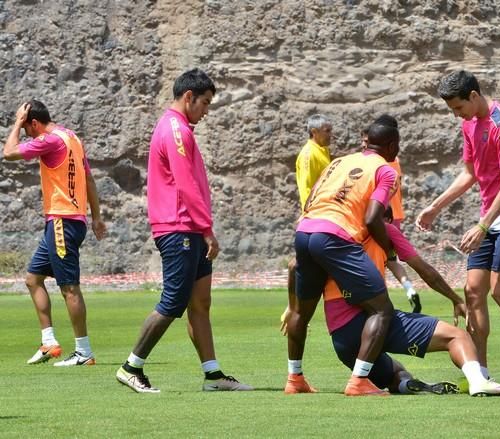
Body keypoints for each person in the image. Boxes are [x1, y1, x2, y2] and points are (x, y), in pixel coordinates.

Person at [115, 68, 252, 393]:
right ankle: (131, 367)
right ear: (188, 97)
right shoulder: (176, 130)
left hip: (190, 226)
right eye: (204, 103)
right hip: (180, 228)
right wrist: (206, 229)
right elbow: (185, 184)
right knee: (174, 301)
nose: (206, 111)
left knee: (200, 302)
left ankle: (213, 375)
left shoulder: (178, 128)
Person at [416, 70, 500, 392]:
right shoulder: (469, 124)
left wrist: (482, 225)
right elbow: (469, 174)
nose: (456, 115)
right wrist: (436, 206)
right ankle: (480, 373)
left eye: (458, 108)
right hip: (490, 217)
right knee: (473, 292)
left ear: (474, 96)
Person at [323, 221, 500, 397]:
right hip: (373, 322)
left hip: (342, 338)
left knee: (396, 373)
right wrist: (456, 299)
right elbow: (424, 270)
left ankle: (403, 384)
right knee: (457, 336)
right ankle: (479, 382)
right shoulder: (385, 229)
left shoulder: (331, 236)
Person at [284, 123, 400, 396]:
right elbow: (373, 218)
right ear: (392, 146)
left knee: (301, 311)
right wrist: (390, 251)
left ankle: (294, 378)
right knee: (382, 309)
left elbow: (311, 198)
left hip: (305, 230)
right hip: (335, 237)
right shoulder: (386, 170)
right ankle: (359, 381)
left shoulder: (338, 162)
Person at [3, 100, 106, 367]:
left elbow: (9, 153)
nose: (26, 132)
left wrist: (16, 122)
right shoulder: (71, 136)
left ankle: (84, 352)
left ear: (33, 123)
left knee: (69, 288)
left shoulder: (49, 140)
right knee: (32, 279)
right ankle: (49, 342)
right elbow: (89, 179)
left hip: (62, 220)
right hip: (69, 221)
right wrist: (95, 217)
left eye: (26, 127)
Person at [362, 115, 421, 312]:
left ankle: (378, 301)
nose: (364, 144)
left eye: (367, 140)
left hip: (381, 214)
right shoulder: (394, 160)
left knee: (376, 258)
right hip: (393, 214)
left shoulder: (381, 163)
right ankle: (409, 288)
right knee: (389, 259)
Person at [282, 114, 333, 336]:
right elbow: (306, 189)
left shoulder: (323, 152)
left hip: (326, 217)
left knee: (302, 266)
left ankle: (295, 310)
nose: (330, 134)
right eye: (326, 130)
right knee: (299, 266)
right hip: (316, 220)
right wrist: (310, 216)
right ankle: (293, 309)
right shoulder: (308, 154)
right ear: (314, 132)